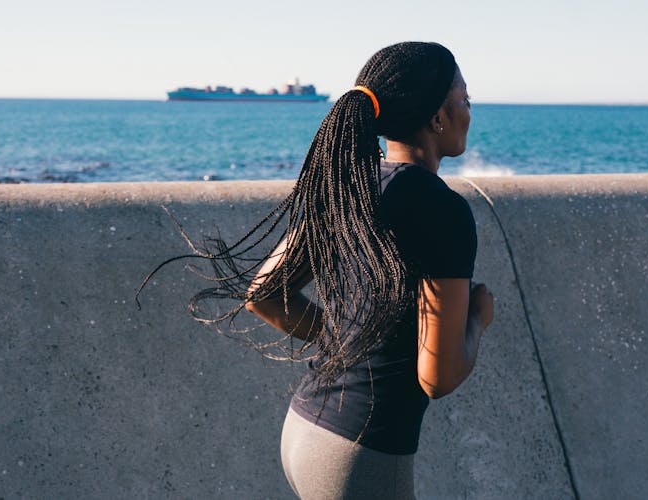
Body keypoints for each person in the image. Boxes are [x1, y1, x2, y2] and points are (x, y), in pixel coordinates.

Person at [140, 41, 494, 499]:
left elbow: (264, 293)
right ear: (437, 117)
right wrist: (477, 321)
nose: (469, 110)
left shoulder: (351, 183)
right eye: (465, 99)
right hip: (362, 454)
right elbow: (438, 376)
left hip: (305, 429)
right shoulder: (444, 211)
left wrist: (344, 339)